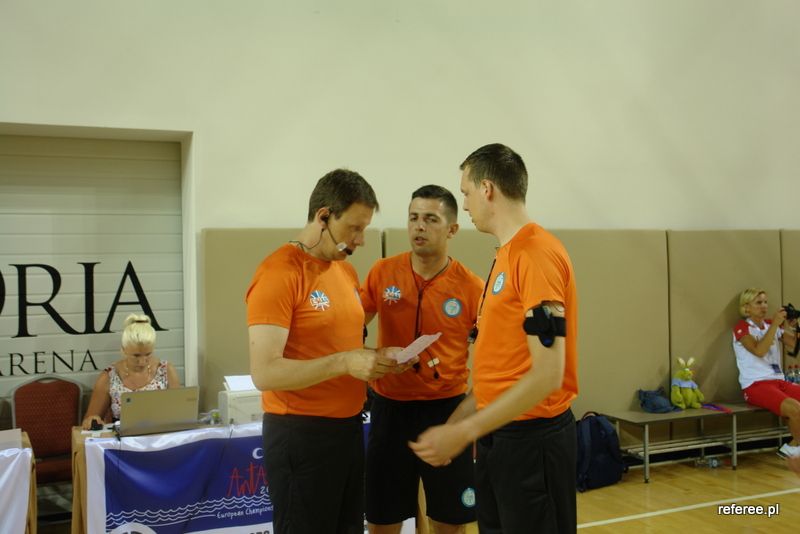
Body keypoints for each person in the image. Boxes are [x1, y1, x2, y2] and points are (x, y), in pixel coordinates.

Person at [410, 143, 579, 534]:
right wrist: (459, 423)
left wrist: (464, 431)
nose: (465, 205)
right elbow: (504, 368)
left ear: (487, 189)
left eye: (466, 193)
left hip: (532, 441)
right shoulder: (506, 254)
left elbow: (547, 374)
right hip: (496, 438)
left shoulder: (536, 254)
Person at [246, 169, 413, 534]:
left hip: (348, 429)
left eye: (364, 229)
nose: (361, 240)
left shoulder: (345, 272)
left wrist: (377, 356)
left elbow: (340, 350)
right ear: (323, 217)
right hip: (301, 435)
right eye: (354, 228)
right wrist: (345, 362)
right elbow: (265, 372)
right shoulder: (279, 272)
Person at [360, 185, 483, 534]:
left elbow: (495, 362)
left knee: (448, 521)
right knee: (382, 519)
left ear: (452, 229)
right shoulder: (383, 272)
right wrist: (372, 355)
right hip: (389, 410)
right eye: (413, 218)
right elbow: (349, 331)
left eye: (430, 219)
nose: (419, 226)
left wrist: (463, 424)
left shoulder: (472, 287)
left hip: (446, 411)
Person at [732, 288, 800, 460]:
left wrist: (796, 328)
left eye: (765, 302)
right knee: (795, 408)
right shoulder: (742, 328)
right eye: (758, 303)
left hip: (778, 381)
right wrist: (775, 325)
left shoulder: (770, 325)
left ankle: (792, 447)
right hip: (755, 385)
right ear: (747, 307)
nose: (764, 306)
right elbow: (759, 350)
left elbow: (795, 344)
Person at [81, 314, 180, 430]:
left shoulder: (166, 370)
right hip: (123, 436)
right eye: (136, 356)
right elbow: (90, 419)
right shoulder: (109, 376)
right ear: (124, 349)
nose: (142, 362)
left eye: (148, 354)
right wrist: (93, 420)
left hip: (161, 434)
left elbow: (178, 412)